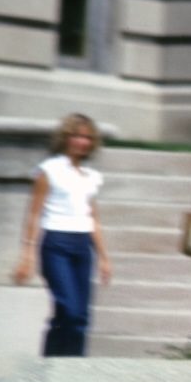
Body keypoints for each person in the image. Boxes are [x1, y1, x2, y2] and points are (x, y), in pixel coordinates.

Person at [11, 113, 112, 356]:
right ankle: (50, 363)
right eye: (77, 136)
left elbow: (93, 218)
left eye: (87, 137)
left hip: (82, 245)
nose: (82, 142)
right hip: (56, 244)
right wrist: (27, 255)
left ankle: (70, 368)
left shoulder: (90, 176)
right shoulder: (49, 170)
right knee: (69, 308)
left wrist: (104, 257)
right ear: (66, 138)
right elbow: (33, 215)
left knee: (80, 317)